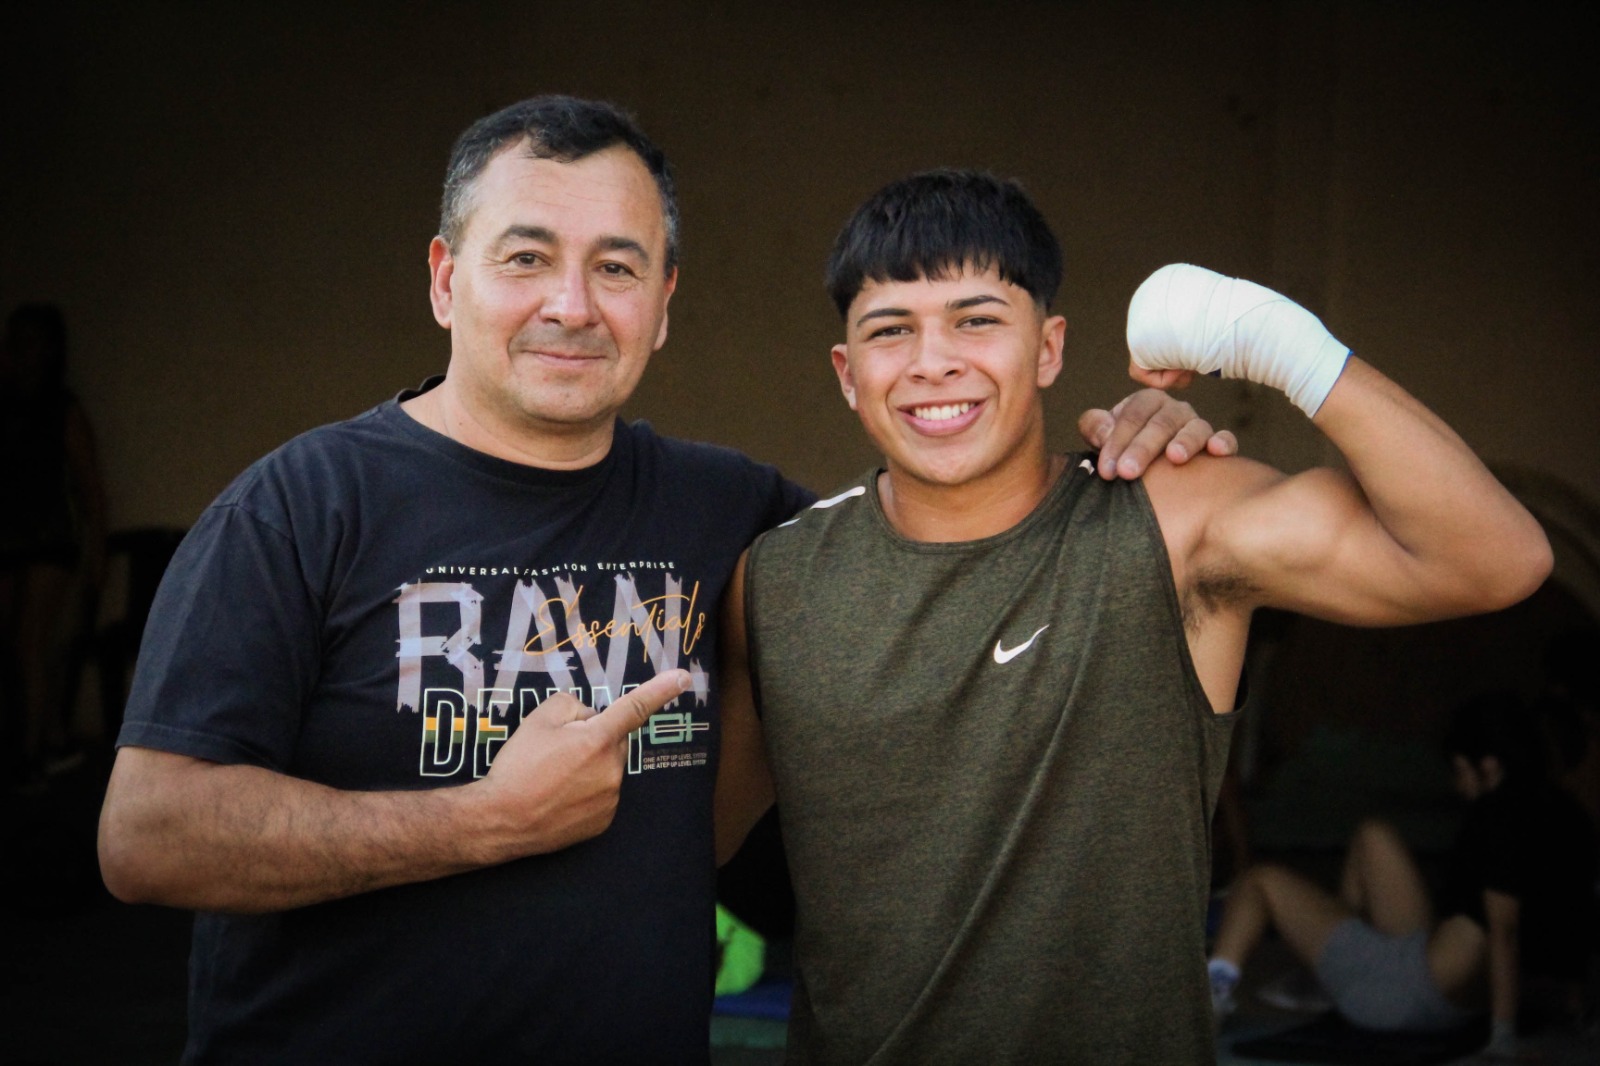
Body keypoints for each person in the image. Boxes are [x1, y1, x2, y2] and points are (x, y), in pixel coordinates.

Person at [94, 97, 1228, 1064]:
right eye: (526, 257)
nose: (572, 304)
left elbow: (956, 528)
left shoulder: (732, 514)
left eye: (616, 267)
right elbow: (146, 836)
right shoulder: (301, 508)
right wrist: (478, 822)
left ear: (665, 301)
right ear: (445, 279)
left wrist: (1133, 449)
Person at [714, 170, 1554, 1064]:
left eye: (977, 320)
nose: (933, 361)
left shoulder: (1172, 522)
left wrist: (1281, 345)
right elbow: (692, 848)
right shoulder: (777, 582)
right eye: (891, 330)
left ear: (1049, 349)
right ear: (847, 373)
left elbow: (1496, 560)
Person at [1209, 695, 1598, 1058]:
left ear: (1489, 766)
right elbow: (1571, 922)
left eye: (1460, 770)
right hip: (1438, 974)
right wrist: (1570, 996)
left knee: (1258, 881)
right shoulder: (1567, 815)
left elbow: (1505, 931)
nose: (1457, 784)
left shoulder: (1498, 817)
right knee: (1372, 835)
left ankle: (1211, 1002)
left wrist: (1502, 1035)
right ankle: (1331, 970)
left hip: (1404, 995)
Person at [1, 303, 107, 792]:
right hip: (13, 540)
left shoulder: (63, 410)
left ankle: (33, 755)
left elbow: (90, 492)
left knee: (30, 644)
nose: (18, 352)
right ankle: (48, 739)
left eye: (28, 342)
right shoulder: (10, 409)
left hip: (51, 540)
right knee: (17, 647)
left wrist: (96, 556)